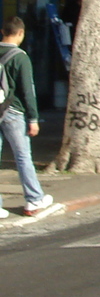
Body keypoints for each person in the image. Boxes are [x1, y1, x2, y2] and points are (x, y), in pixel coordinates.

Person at [0, 17, 53, 217]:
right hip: (13, 112)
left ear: (2, 31)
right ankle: (33, 200)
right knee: (22, 157)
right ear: (20, 33)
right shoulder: (20, 57)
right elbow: (28, 91)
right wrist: (33, 119)